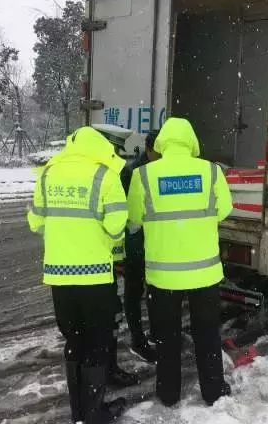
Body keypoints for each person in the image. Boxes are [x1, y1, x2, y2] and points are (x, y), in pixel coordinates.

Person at [127, 117, 233, 407]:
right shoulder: (211, 172)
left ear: (162, 144)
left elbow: (134, 219)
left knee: (167, 337)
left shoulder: (144, 176)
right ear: (192, 142)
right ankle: (212, 390)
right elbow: (224, 209)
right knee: (207, 335)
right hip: (205, 274)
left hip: (163, 278)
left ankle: (169, 392)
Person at [27, 126, 128, 424]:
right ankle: (94, 413)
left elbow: (35, 221)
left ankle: (78, 414)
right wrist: (98, 243)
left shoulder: (48, 173)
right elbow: (116, 226)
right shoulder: (105, 175)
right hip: (95, 276)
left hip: (59, 275)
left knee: (74, 339)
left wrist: (62, 239)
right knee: (97, 342)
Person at [91, 124, 141, 388]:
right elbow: (122, 220)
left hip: (87, 260)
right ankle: (108, 372)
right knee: (109, 315)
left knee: (94, 321)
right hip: (104, 260)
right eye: (116, 150)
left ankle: (101, 372)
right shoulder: (114, 174)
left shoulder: (88, 172)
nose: (119, 156)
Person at [120, 130, 161, 363]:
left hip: (155, 244)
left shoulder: (160, 169)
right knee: (134, 293)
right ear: (148, 148)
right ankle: (138, 340)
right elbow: (125, 211)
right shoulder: (131, 171)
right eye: (159, 151)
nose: (162, 156)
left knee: (155, 292)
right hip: (136, 243)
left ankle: (156, 334)